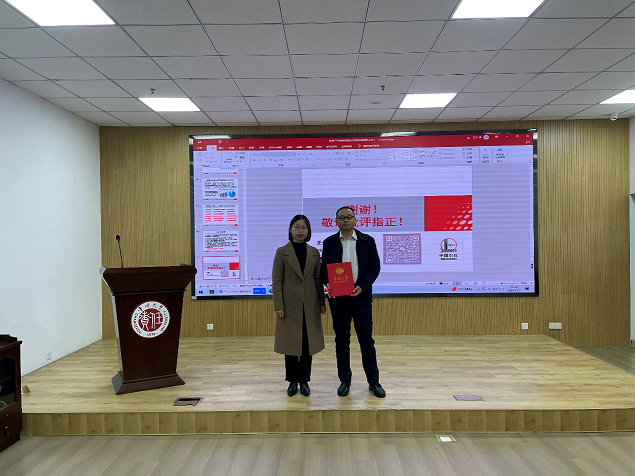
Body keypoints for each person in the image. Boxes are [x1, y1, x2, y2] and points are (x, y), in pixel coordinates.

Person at [321, 206, 385, 398]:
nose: (345, 220)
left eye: (349, 217)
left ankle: (373, 382)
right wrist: (328, 283)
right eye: (341, 217)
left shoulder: (367, 241)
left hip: (361, 299)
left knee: (366, 340)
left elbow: (375, 267)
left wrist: (362, 286)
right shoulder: (329, 242)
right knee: (342, 341)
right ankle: (345, 381)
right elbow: (323, 270)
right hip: (339, 301)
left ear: (355, 219)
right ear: (336, 221)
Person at [272, 214, 326, 397]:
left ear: (309, 230)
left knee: (307, 345)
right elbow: (277, 281)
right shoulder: (282, 252)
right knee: (290, 345)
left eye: (304, 227)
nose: (300, 230)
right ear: (290, 229)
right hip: (289, 306)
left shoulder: (314, 252)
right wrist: (278, 305)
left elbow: (318, 279)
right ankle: (292, 381)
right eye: (296, 226)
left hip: (310, 305)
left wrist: (322, 302)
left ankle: (304, 381)